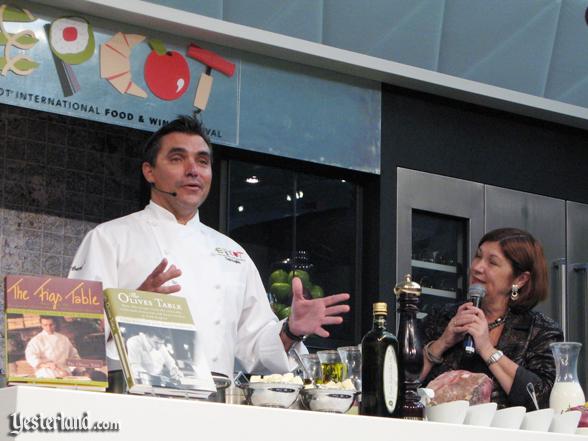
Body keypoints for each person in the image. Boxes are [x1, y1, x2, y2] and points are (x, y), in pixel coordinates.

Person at [69, 115, 350, 377]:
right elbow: (75, 337)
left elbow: (255, 348)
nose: (193, 171)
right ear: (149, 171)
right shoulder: (109, 239)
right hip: (130, 408)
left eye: (202, 162)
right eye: (178, 159)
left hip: (212, 412)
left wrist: (291, 330)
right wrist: (130, 309)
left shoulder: (234, 255)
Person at [420, 228, 564, 410]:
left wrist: (487, 349)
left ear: (520, 279)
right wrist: (442, 343)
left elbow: (542, 399)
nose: (477, 267)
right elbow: (397, 384)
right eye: (478, 256)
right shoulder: (442, 317)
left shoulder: (540, 330)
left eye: (492, 263)